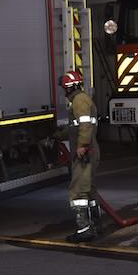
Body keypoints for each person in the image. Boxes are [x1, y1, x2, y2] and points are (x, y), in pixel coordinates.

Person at [57, 70, 100, 242]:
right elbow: (76, 127)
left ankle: (85, 229)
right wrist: (58, 135)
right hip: (90, 150)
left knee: (78, 192)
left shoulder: (79, 101)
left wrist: (82, 146)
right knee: (89, 189)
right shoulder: (81, 99)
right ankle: (96, 224)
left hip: (86, 153)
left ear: (68, 88)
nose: (63, 92)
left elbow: (85, 126)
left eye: (63, 89)